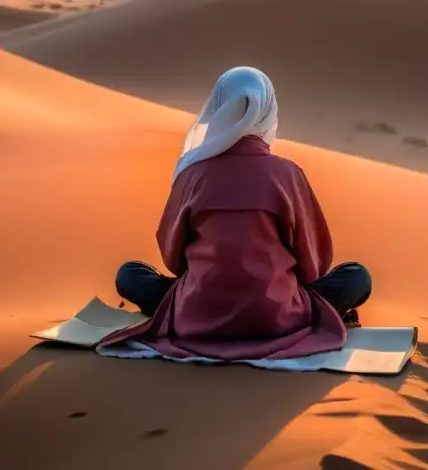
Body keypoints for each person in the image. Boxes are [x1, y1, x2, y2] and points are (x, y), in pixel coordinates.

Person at [106, 66, 371, 361]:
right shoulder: (288, 174)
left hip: (197, 316)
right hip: (279, 319)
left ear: (218, 108)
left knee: (130, 275)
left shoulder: (192, 174)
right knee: (356, 277)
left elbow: (173, 258)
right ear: (268, 111)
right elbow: (314, 265)